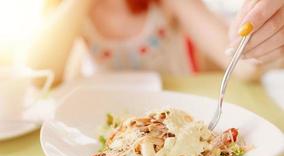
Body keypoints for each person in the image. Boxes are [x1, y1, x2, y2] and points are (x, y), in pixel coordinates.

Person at [26, 0, 281, 85]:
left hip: (177, 123)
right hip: (104, 126)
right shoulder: (75, 13)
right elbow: (39, 75)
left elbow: (241, 64)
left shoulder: (169, 4)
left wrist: (261, 38)